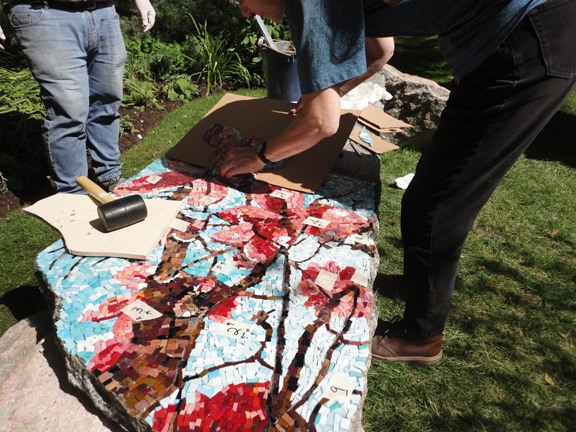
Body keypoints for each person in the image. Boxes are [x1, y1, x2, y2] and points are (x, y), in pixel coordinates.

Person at [221, 0, 576, 365]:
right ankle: (418, 286)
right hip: (525, 36)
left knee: (436, 203)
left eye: (241, 1)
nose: (246, 12)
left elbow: (321, 124)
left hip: (524, 43)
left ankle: (422, 337)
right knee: (435, 185)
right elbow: (380, 50)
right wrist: (331, 95)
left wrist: (261, 156)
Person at [0, 0, 155, 193]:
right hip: (44, 11)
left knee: (107, 101)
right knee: (69, 112)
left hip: (103, 9)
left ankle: (109, 173)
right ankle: (74, 192)